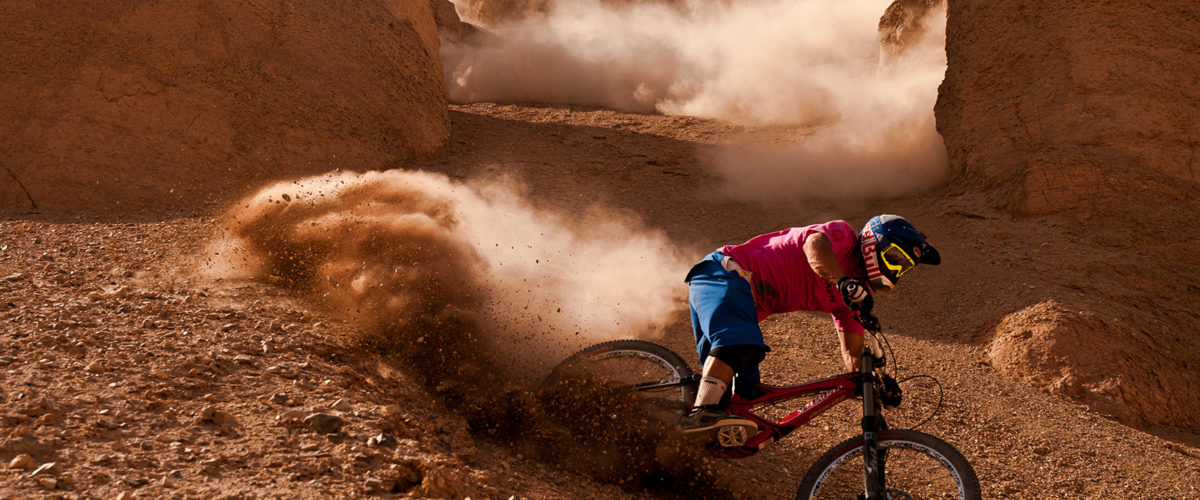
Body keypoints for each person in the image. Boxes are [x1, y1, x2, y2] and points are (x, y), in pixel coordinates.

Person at [679, 214, 940, 437]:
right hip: (724, 271)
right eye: (895, 258)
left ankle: (681, 440)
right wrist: (843, 281)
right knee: (739, 345)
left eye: (904, 267)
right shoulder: (843, 237)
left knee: (743, 400)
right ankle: (701, 414)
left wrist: (878, 383)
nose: (896, 270)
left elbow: (853, 357)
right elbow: (813, 246)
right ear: (875, 241)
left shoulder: (851, 298)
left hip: (739, 304)